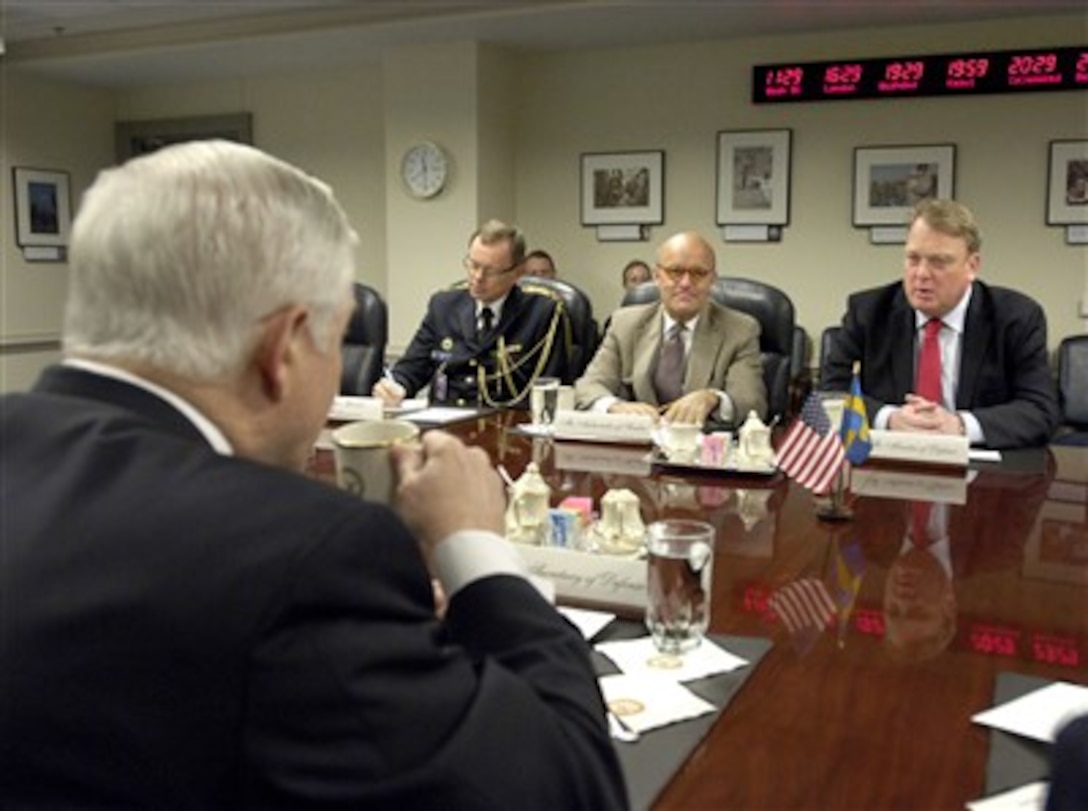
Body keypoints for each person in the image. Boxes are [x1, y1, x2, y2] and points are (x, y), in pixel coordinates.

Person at [0, 141, 627, 809]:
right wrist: (482, 556)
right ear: (284, 347)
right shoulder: (305, 553)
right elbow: (570, 789)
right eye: (335, 339)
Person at [822, 199, 1059, 449]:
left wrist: (959, 425)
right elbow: (829, 395)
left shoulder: (1016, 318)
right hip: (888, 462)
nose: (922, 274)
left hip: (982, 471)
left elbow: (1040, 410)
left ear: (972, 266)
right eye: (913, 259)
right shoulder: (869, 312)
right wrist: (889, 418)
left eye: (939, 262)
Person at [373, 220, 573, 409]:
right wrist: (395, 386)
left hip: (507, 431)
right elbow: (412, 368)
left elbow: (547, 390)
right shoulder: (444, 306)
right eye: (473, 265)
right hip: (445, 425)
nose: (478, 278)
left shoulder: (542, 313)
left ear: (518, 273)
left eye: (491, 271)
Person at [575, 230, 766, 426]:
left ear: (712, 280)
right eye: (675, 271)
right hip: (636, 447)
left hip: (702, 447)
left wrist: (713, 399)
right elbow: (588, 387)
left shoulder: (740, 330)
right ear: (657, 276)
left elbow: (752, 403)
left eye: (698, 273)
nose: (685, 283)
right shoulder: (625, 323)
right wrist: (615, 407)